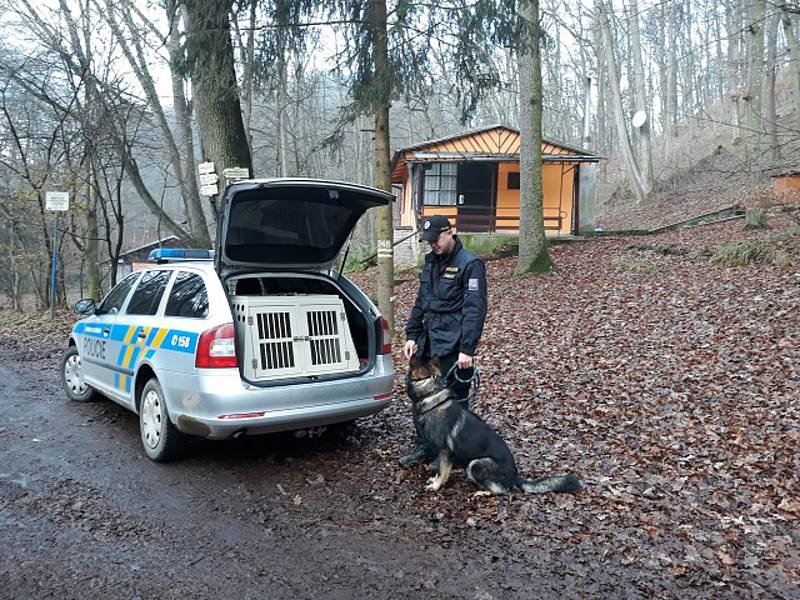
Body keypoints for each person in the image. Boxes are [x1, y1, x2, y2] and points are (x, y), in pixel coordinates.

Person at [399, 214, 488, 467]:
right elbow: (421, 302)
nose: (433, 245)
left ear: (450, 233)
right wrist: (412, 334)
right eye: (429, 242)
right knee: (419, 394)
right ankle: (426, 447)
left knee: (452, 402)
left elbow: (475, 310)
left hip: (452, 345)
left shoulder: (470, 264)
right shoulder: (430, 263)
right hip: (427, 342)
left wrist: (467, 350)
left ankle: (452, 454)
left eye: (436, 239)